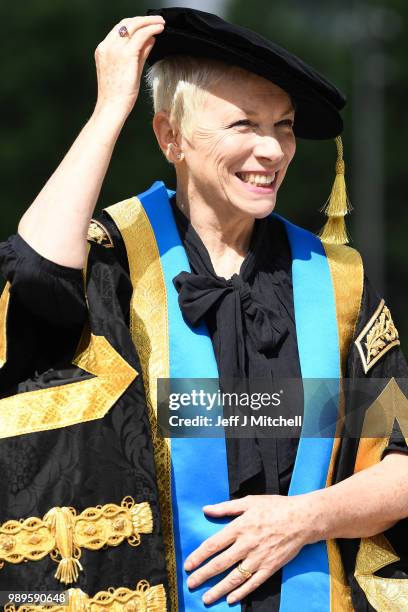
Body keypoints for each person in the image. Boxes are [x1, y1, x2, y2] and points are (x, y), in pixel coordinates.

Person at [1, 6, 408, 612]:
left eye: (285, 126)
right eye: (243, 124)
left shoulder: (334, 282)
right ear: (170, 137)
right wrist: (110, 108)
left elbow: (399, 460)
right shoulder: (113, 266)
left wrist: (302, 519)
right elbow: (33, 275)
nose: (271, 149)